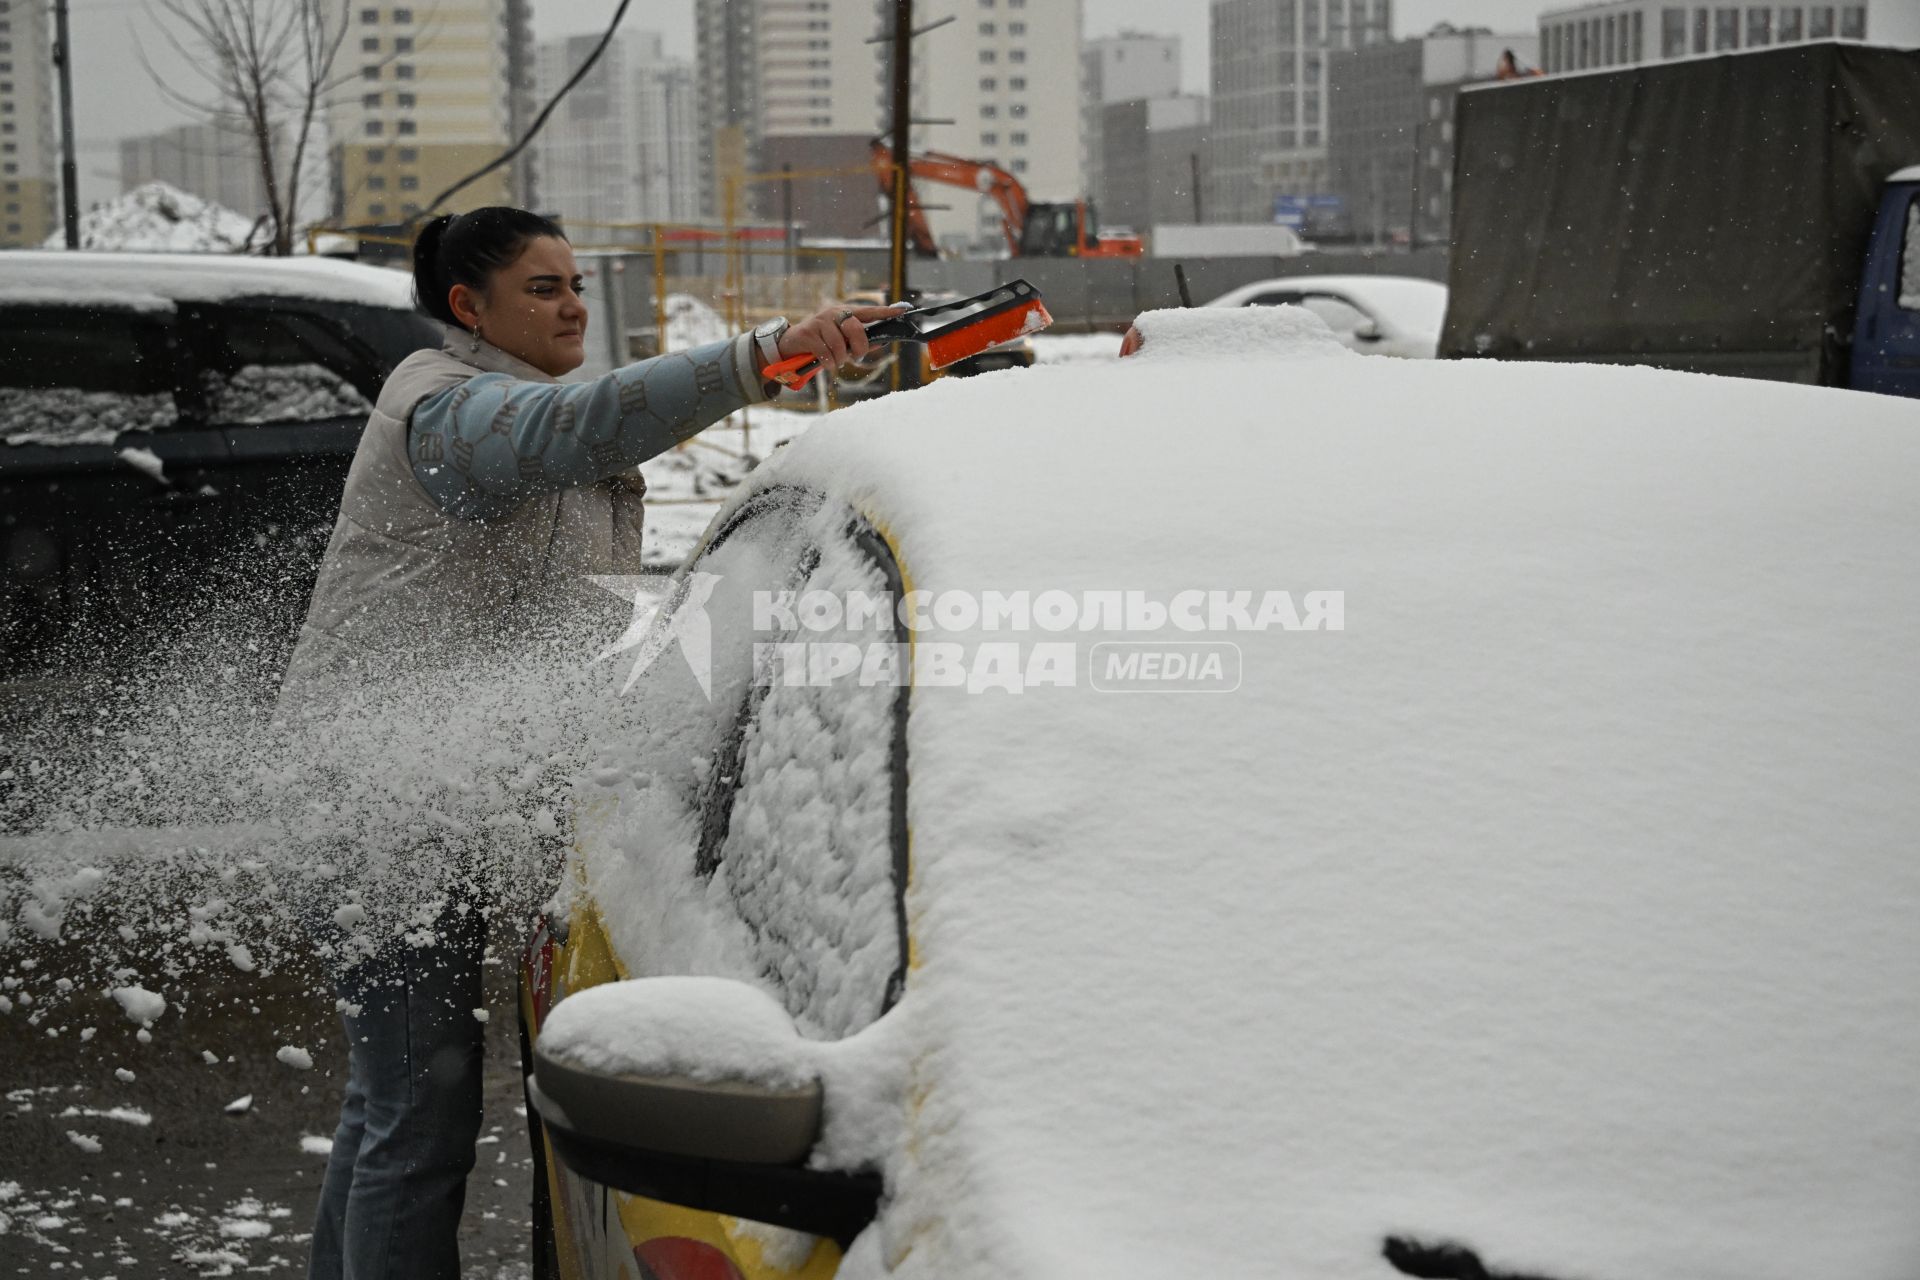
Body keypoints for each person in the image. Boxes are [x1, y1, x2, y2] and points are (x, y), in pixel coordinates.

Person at [287, 206, 905, 1280]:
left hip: (438, 788)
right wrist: (767, 354)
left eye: (576, 283)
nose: (573, 304)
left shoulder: (525, 408)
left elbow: (572, 617)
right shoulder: (443, 407)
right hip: (373, 793)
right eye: (542, 288)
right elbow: (573, 431)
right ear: (466, 307)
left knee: (391, 1098)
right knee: (418, 1114)